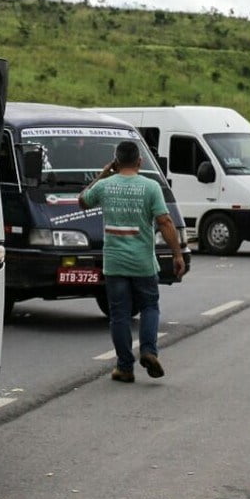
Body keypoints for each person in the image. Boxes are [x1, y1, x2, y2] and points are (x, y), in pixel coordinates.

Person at [78, 139, 186, 383]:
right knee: (149, 306)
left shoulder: (105, 186)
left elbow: (82, 200)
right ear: (139, 161)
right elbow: (165, 222)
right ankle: (148, 351)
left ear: (117, 162)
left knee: (119, 315)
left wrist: (103, 174)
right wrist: (177, 254)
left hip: (115, 263)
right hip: (143, 262)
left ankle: (125, 367)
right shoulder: (150, 187)